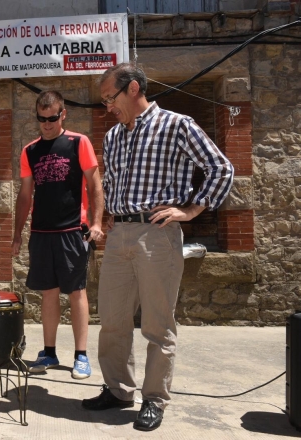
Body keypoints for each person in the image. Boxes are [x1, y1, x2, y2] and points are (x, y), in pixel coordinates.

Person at [81, 63, 234, 431]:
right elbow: (112, 182)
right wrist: (112, 217)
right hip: (119, 234)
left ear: (133, 88)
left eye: (110, 98)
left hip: (157, 234)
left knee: (157, 323)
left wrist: (191, 209)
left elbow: (221, 168)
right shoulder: (114, 136)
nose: (107, 107)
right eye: (104, 101)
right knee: (112, 320)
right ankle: (118, 389)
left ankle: (153, 398)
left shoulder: (177, 125)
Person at [12, 90, 104, 380]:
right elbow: (25, 195)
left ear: (63, 114)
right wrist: (17, 234)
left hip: (72, 230)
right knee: (48, 293)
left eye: (52, 118)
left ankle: (81, 356)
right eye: (41, 119)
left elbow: (95, 185)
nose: (47, 124)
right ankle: (49, 352)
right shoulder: (30, 151)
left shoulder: (78, 142)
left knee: (77, 291)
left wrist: (97, 222)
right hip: (41, 231)